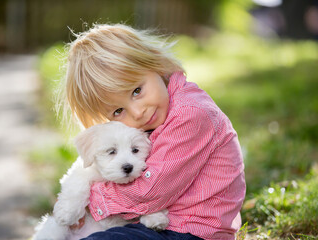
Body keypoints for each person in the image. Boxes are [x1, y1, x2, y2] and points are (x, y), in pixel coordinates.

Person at [60, 23, 246, 240]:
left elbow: (151, 191)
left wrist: (90, 201)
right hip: (156, 225)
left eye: (137, 91)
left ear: (155, 64)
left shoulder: (190, 114)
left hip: (191, 231)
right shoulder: (154, 121)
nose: (138, 112)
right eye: (119, 111)